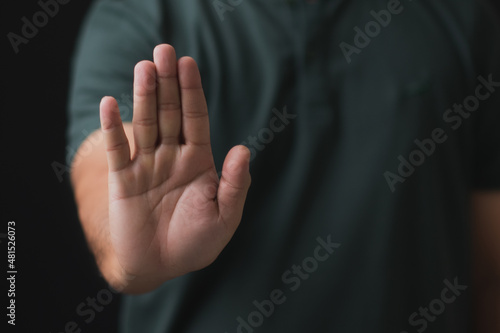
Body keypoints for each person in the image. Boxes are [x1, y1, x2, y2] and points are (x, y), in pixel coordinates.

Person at [67, 0, 500, 332]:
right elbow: (100, 178)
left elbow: (486, 274)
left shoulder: (465, 17)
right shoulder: (140, 15)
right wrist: (134, 254)